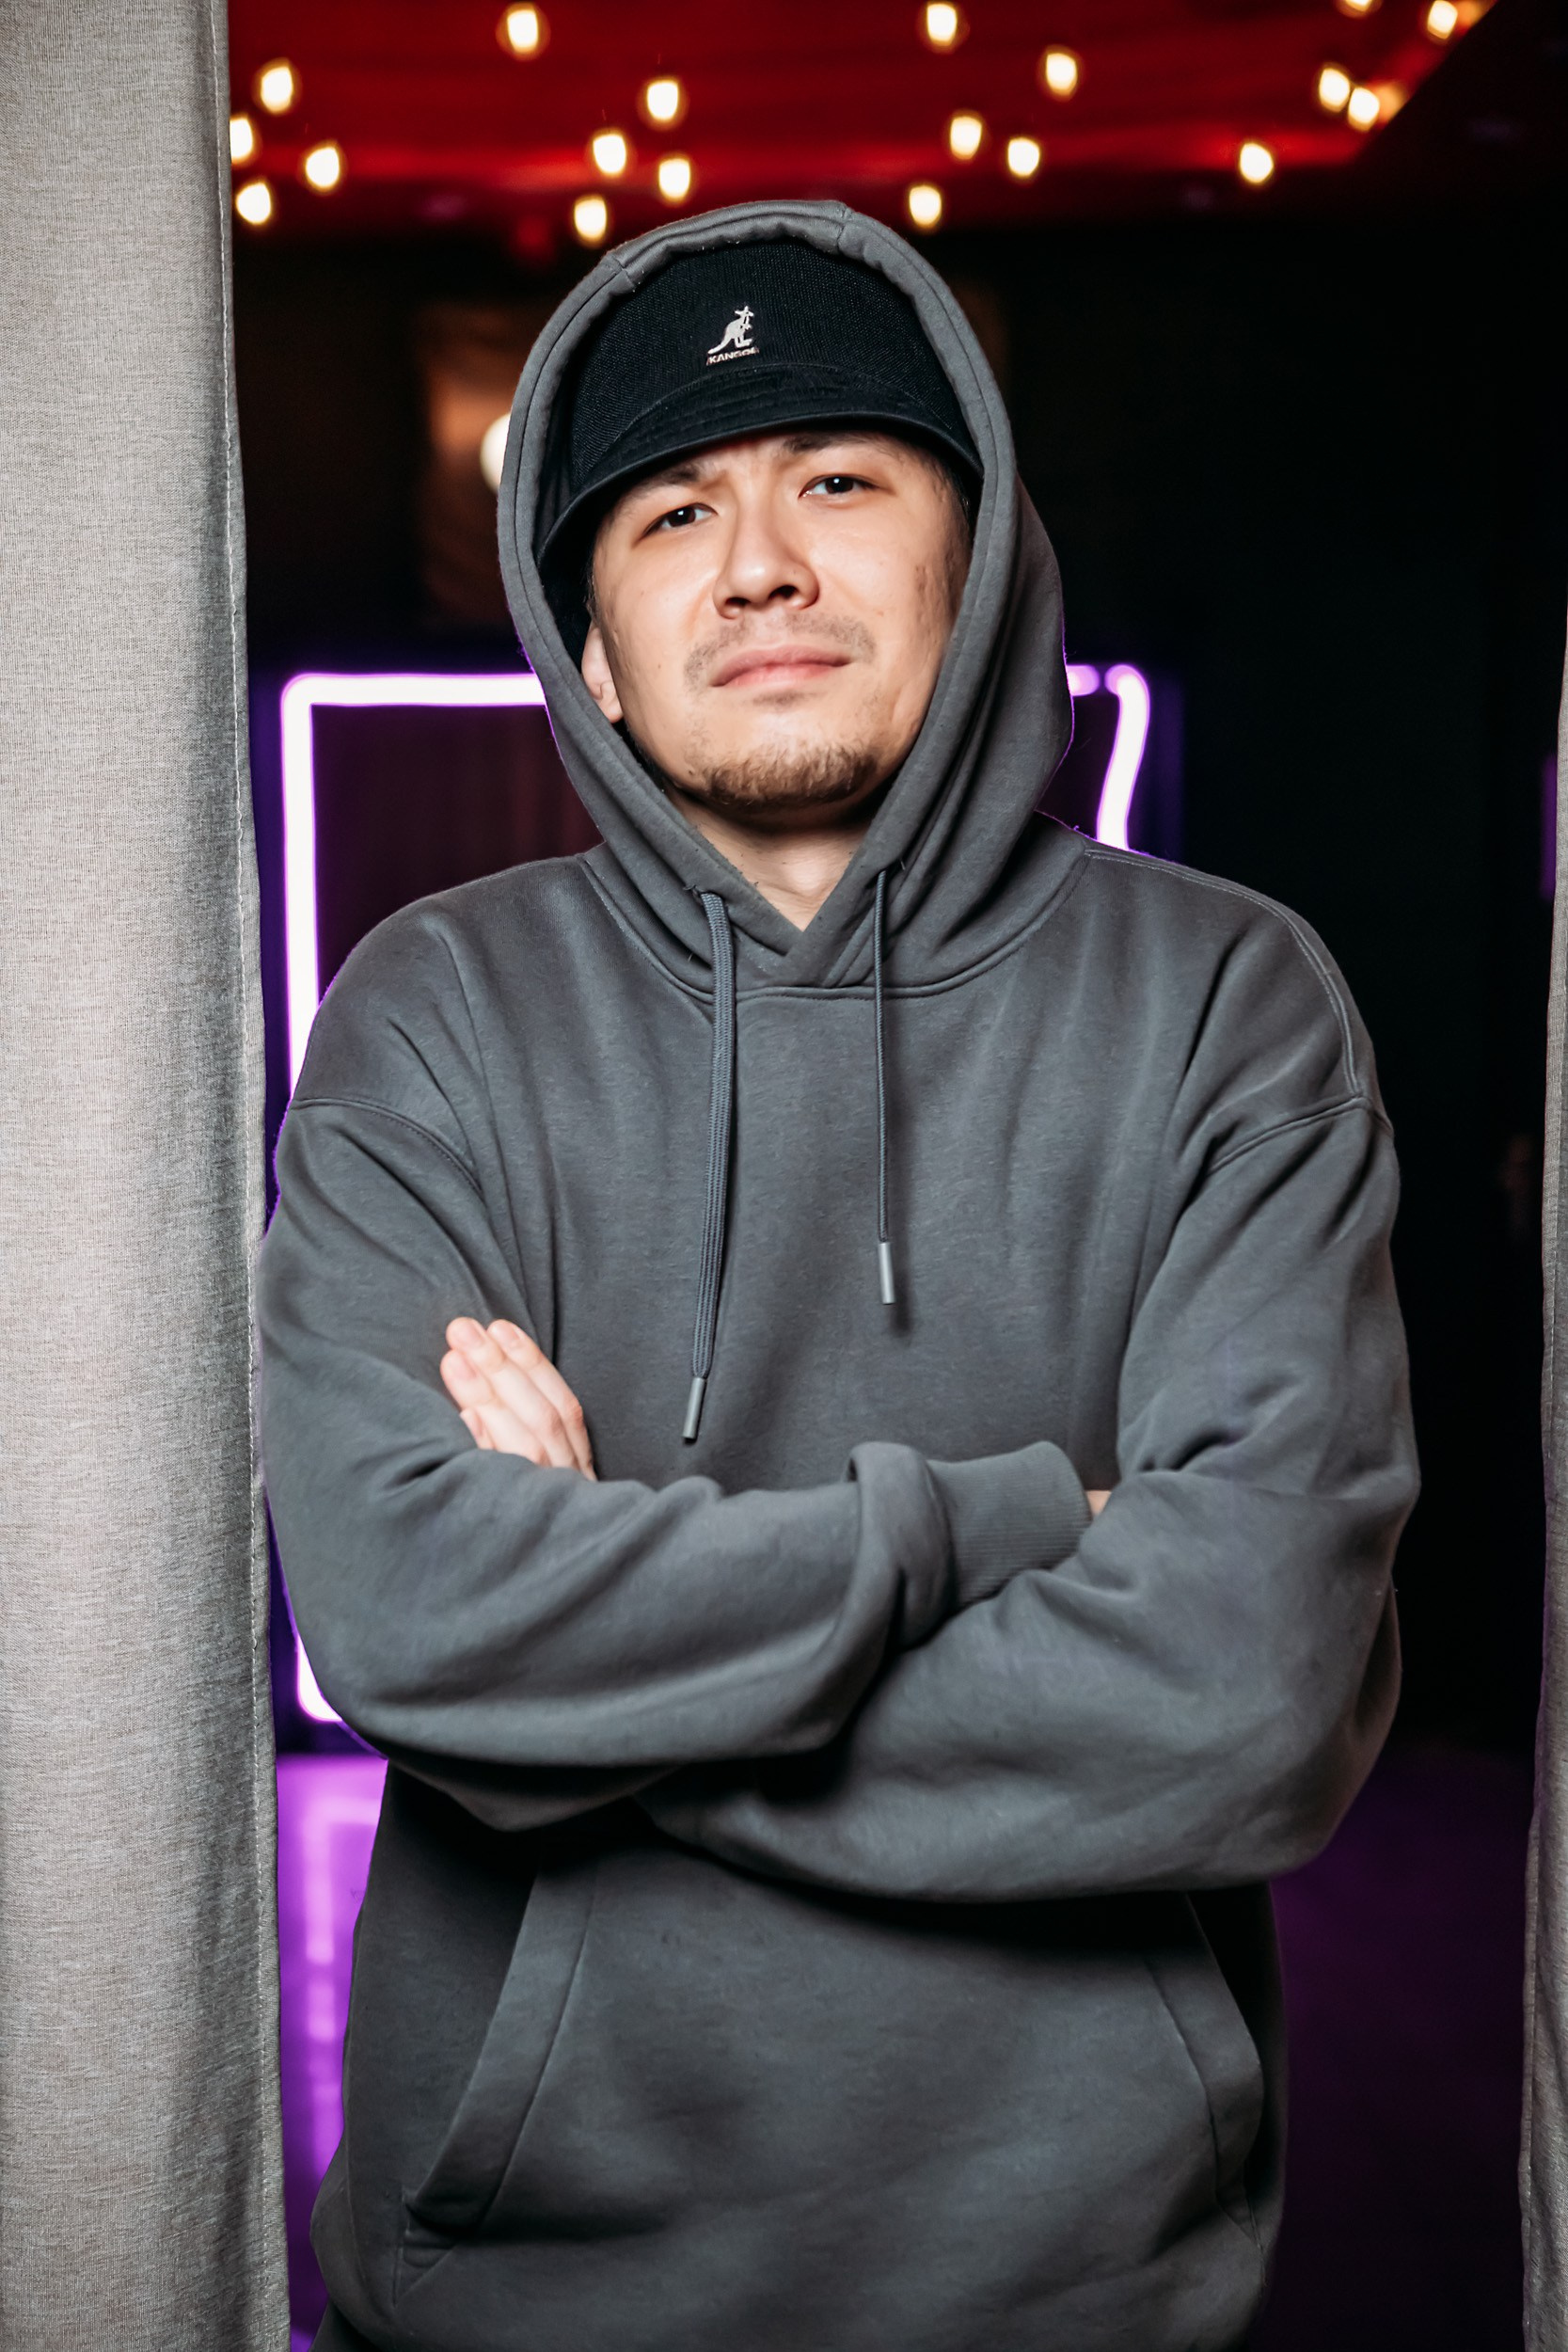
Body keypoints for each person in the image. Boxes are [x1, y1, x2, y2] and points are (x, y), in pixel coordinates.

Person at [259, 204, 1417, 2352]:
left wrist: (595, 1678)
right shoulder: (435, 1015)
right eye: (674, 510)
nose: (763, 565)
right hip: (524, 2289)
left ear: (981, 567)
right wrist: (996, 1528)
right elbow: (407, 1615)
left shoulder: (1226, 1006)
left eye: (842, 479)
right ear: (593, 648)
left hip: (1083, 2285)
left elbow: (1248, 1694)